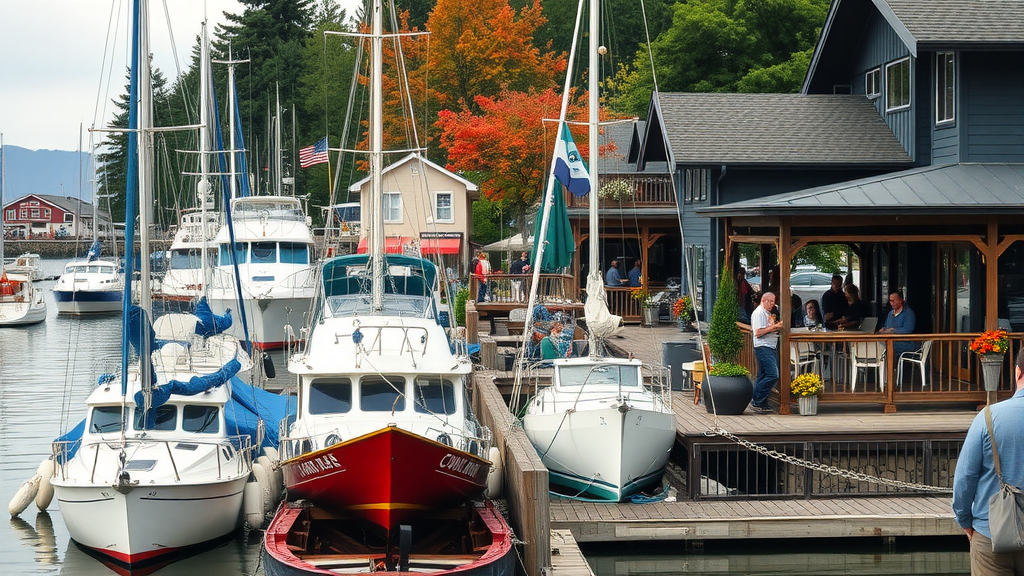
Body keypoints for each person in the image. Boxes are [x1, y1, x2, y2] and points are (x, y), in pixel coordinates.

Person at [953, 352, 1024, 573]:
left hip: (991, 531)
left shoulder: (988, 417)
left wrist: (965, 521)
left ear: (1017, 371)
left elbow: (965, 478)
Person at [750, 292, 784, 414]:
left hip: (770, 346)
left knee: (763, 375)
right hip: (763, 346)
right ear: (763, 300)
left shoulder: (768, 313)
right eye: (770, 301)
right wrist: (775, 327)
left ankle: (761, 402)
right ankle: (757, 399)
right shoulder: (759, 313)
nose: (772, 304)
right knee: (773, 374)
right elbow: (758, 332)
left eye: (774, 301)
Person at [879, 290, 917, 356]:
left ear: (901, 300)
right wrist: (884, 329)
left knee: (882, 347)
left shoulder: (908, 313)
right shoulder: (890, 313)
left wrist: (893, 330)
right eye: (890, 301)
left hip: (905, 344)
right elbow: (886, 326)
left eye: (894, 301)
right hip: (890, 342)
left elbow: (908, 329)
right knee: (878, 345)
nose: (892, 303)